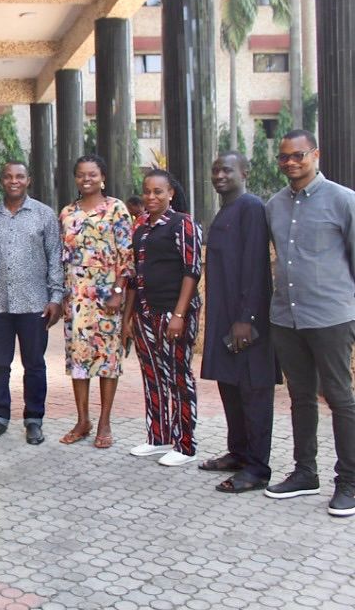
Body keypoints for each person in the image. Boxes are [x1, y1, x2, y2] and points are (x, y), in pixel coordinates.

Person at [264, 130, 355, 517]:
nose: (290, 162)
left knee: (339, 397)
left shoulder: (343, 200)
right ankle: (305, 473)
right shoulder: (274, 205)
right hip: (287, 317)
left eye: (298, 155)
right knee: (300, 397)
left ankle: (349, 481)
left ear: (315, 155)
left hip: (330, 316)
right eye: (284, 157)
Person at [199, 152, 277, 493]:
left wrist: (247, 319)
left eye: (227, 170)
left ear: (244, 173)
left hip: (247, 323)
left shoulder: (251, 208)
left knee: (253, 393)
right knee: (230, 387)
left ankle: (257, 468)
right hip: (224, 318)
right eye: (216, 170)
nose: (219, 175)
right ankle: (239, 453)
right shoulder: (226, 210)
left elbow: (257, 265)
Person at [0, 161, 63, 446]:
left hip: (35, 303)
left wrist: (56, 297)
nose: (14, 181)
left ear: (28, 180)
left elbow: (55, 256)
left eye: (20, 176)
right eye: (9, 176)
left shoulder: (44, 215)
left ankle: (34, 420)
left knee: (34, 364)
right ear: (1, 180)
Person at [120, 170, 203, 467]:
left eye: (158, 192)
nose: (151, 197)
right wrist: (128, 319)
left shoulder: (183, 224)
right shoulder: (141, 227)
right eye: (147, 191)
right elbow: (134, 276)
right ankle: (158, 437)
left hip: (174, 312)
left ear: (170, 193)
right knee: (152, 376)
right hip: (145, 313)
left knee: (178, 376)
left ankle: (185, 444)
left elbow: (192, 270)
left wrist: (179, 314)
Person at [59, 154, 134, 449]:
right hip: (76, 295)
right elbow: (63, 257)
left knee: (107, 359)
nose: (86, 179)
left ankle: (104, 422)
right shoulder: (67, 212)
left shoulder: (116, 209)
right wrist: (63, 295)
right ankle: (83, 421)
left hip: (106, 297)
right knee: (78, 359)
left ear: (102, 177)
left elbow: (126, 255)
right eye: (80, 174)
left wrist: (118, 291)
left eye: (92, 174)